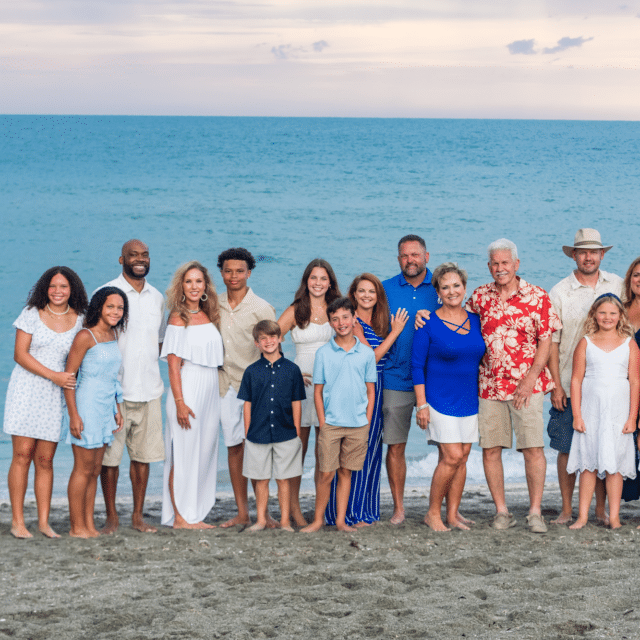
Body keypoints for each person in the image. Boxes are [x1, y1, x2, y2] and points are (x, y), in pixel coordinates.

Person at [466, 239, 561, 533]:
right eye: (494, 263)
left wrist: (532, 377)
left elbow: (546, 339)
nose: (500, 268)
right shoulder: (480, 297)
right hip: (490, 386)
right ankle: (502, 511)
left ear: (516, 265)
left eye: (505, 263)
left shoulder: (537, 296)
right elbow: (458, 321)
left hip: (526, 387)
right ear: (489, 266)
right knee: (491, 449)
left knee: (532, 448)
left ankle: (535, 512)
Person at [4, 267, 87, 538]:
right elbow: (20, 354)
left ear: (72, 289)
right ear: (45, 288)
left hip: (54, 396)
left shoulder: (80, 319)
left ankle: (43, 522)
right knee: (22, 455)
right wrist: (54, 376)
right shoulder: (32, 314)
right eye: (53, 286)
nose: (58, 291)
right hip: (27, 388)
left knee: (46, 459)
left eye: (63, 286)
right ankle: (18, 522)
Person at [547, 229, 622, 525]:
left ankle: (601, 510)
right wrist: (555, 384)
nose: (588, 257)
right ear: (574, 255)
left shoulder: (617, 284)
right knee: (566, 447)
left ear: (602, 255)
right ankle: (567, 508)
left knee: (604, 446)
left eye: (594, 252)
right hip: (568, 383)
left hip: (609, 383)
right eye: (582, 252)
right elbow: (552, 341)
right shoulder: (560, 291)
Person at [325, 274, 408, 526]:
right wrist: (395, 333)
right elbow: (368, 359)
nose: (366, 296)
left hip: (380, 386)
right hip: (359, 390)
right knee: (356, 450)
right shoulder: (355, 322)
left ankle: (366, 511)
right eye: (361, 291)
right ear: (353, 293)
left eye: (371, 291)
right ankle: (348, 513)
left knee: (372, 451)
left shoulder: (378, 321)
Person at [411, 263, 486, 532]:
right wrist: (421, 405)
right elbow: (417, 365)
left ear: (464, 288)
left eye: (456, 285)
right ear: (438, 292)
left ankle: (453, 514)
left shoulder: (476, 320)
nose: (452, 291)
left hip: (469, 398)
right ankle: (433, 513)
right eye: (446, 287)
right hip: (438, 399)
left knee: (464, 456)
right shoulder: (427, 322)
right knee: (451, 456)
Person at [100, 239, 166, 534]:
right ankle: (112, 516)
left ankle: (138, 516)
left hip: (150, 389)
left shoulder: (157, 298)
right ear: (121, 259)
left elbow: (161, 341)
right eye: (133, 255)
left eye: (145, 255)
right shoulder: (106, 294)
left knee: (143, 458)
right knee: (109, 460)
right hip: (115, 392)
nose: (140, 259)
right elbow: (94, 337)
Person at [301, 298, 377, 533]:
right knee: (326, 474)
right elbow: (318, 391)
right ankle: (317, 520)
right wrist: (323, 423)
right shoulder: (324, 353)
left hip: (357, 424)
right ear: (330, 323)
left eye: (345, 317)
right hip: (331, 424)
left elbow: (371, 391)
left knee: (346, 473)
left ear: (355, 318)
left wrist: (367, 420)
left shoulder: (365, 353)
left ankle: (342, 521)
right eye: (335, 319)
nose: (341, 322)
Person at [567, 295, 639, 530]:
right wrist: (577, 415)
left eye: (612, 313)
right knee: (589, 464)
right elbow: (576, 380)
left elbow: (635, 382)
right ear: (594, 315)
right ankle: (582, 517)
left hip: (618, 413)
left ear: (620, 316)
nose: (607, 318)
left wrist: (632, 418)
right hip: (591, 411)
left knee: (615, 466)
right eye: (602, 313)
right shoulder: (586, 342)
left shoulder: (629, 343)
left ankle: (615, 517)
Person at [277, 258, 341, 525]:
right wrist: (287, 370)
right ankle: (294, 510)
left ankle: (320, 511)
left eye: (323, 279)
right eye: (313, 278)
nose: (318, 283)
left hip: (331, 385)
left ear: (330, 283)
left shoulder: (337, 308)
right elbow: (271, 338)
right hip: (300, 386)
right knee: (297, 449)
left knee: (324, 452)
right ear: (306, 281)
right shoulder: (296, 310)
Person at [161, 261, 223, 529]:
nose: (194, 286)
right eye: (189, 282)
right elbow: (174, 365)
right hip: (188, 388)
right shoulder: (178, 317)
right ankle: (180, 517)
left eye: (199, 281)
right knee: (183, 453)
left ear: (206, 286)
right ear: (181, 286)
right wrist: (179, 403)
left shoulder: (209, 315)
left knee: (204, 451)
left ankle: (194, 513)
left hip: (210, 387)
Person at [217, 247, 276, 528]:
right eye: (228, 271)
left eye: (239, 271)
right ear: (221, 273)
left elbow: (272, 347)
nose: (233, 276)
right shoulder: (212, 304)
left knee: (258, 450)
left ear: (249, 273)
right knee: (234, 448)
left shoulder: (261, 308)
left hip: (255, 388)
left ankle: (264, 513)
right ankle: (242, 512)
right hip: (225, 387)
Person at [382, 235, 438, 524]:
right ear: (398, 259)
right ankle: (399, 508)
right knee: (395, 445)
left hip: (437, 379)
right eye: (404, 256)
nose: (410, 260)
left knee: (449, 447)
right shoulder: (385, 289)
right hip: (396, 378)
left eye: (415, 255)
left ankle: (442, 509)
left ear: (426, 256)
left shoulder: (441, 286)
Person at [64, 287, 128, 538]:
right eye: (110, 306)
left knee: (94, 469)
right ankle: (76, 526)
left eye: (120, 308)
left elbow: (112, 377)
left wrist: (118, 408)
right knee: (82, 468)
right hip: (87, 404)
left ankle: (88, 525)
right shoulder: (85, 336)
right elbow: (69, 378)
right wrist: (74, 415)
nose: (115, 311)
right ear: (99, 307)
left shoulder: (112, 333)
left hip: (105, 407)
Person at [238, 320, 307, 532]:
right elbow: (247, 405)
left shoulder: (292, 370)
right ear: (257, 343)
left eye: (272, 337)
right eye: (263, 339)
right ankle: (260, 520)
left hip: (286, 433)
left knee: (284, 479)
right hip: (257, 434)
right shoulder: (251, 372)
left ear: (280, 339)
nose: (269, 342)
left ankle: (285, 521)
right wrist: (248, 432)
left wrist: (296, 431)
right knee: (260, 479)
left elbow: (297, 402)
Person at [621, 256, 640, 505]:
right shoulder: (619, 311)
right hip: (621, 388)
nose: (639, 280)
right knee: (624, 447)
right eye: (636, 274)